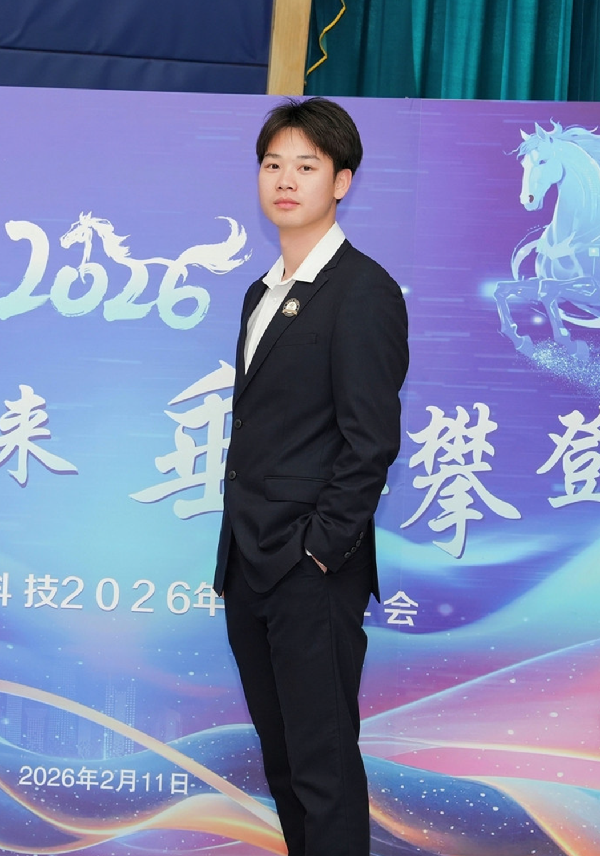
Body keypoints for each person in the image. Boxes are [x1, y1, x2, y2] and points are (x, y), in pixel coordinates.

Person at [214, 97, 409, 856]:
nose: (285, 180)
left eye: (306, 165)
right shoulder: (260, 293)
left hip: (309, 569)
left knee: (323, 768)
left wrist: (320, 551)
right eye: (273, 165)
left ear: (342, 181)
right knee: (286, 767)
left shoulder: (362, 291)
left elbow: (370, 441)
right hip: (249, 562)